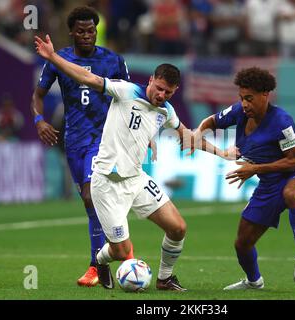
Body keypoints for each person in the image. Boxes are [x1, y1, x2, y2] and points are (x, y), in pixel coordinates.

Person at [34, 34, 231, 290]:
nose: (161, 95)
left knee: (178, 228)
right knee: (120, 251)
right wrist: (53, 57)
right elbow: (87, 77)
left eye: (168, 92)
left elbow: (189, 137)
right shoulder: (126, 91)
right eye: (158, 88)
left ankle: (164, 278)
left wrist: (225, 153)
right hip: (106, 184)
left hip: (136, 180)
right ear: (151, 80)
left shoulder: (166, 111)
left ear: (175, 92)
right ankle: (101, 261)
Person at [30, 6, 134, 287]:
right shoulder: (58, 60)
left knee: (92, 196)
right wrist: (39, 120)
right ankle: (112, 255)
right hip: (74, 141)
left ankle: (97, 264)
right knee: (91, 205)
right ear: (72, 32)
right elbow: (37, 96)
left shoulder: (113, 61)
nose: (87, 36)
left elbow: (130, 100)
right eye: (82, 31)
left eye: (92, 31)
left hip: (104, 139)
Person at [193, 67, 295, 289]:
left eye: (249, 98)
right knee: (242, 244)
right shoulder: (239, 112)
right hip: (268, 185)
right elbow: (211, 120)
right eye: (242, 98)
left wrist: (254, 168)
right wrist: (197, 133)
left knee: (292, 194)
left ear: (265, 95)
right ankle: (253, 281)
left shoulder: (282, 122)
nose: (245, 104)